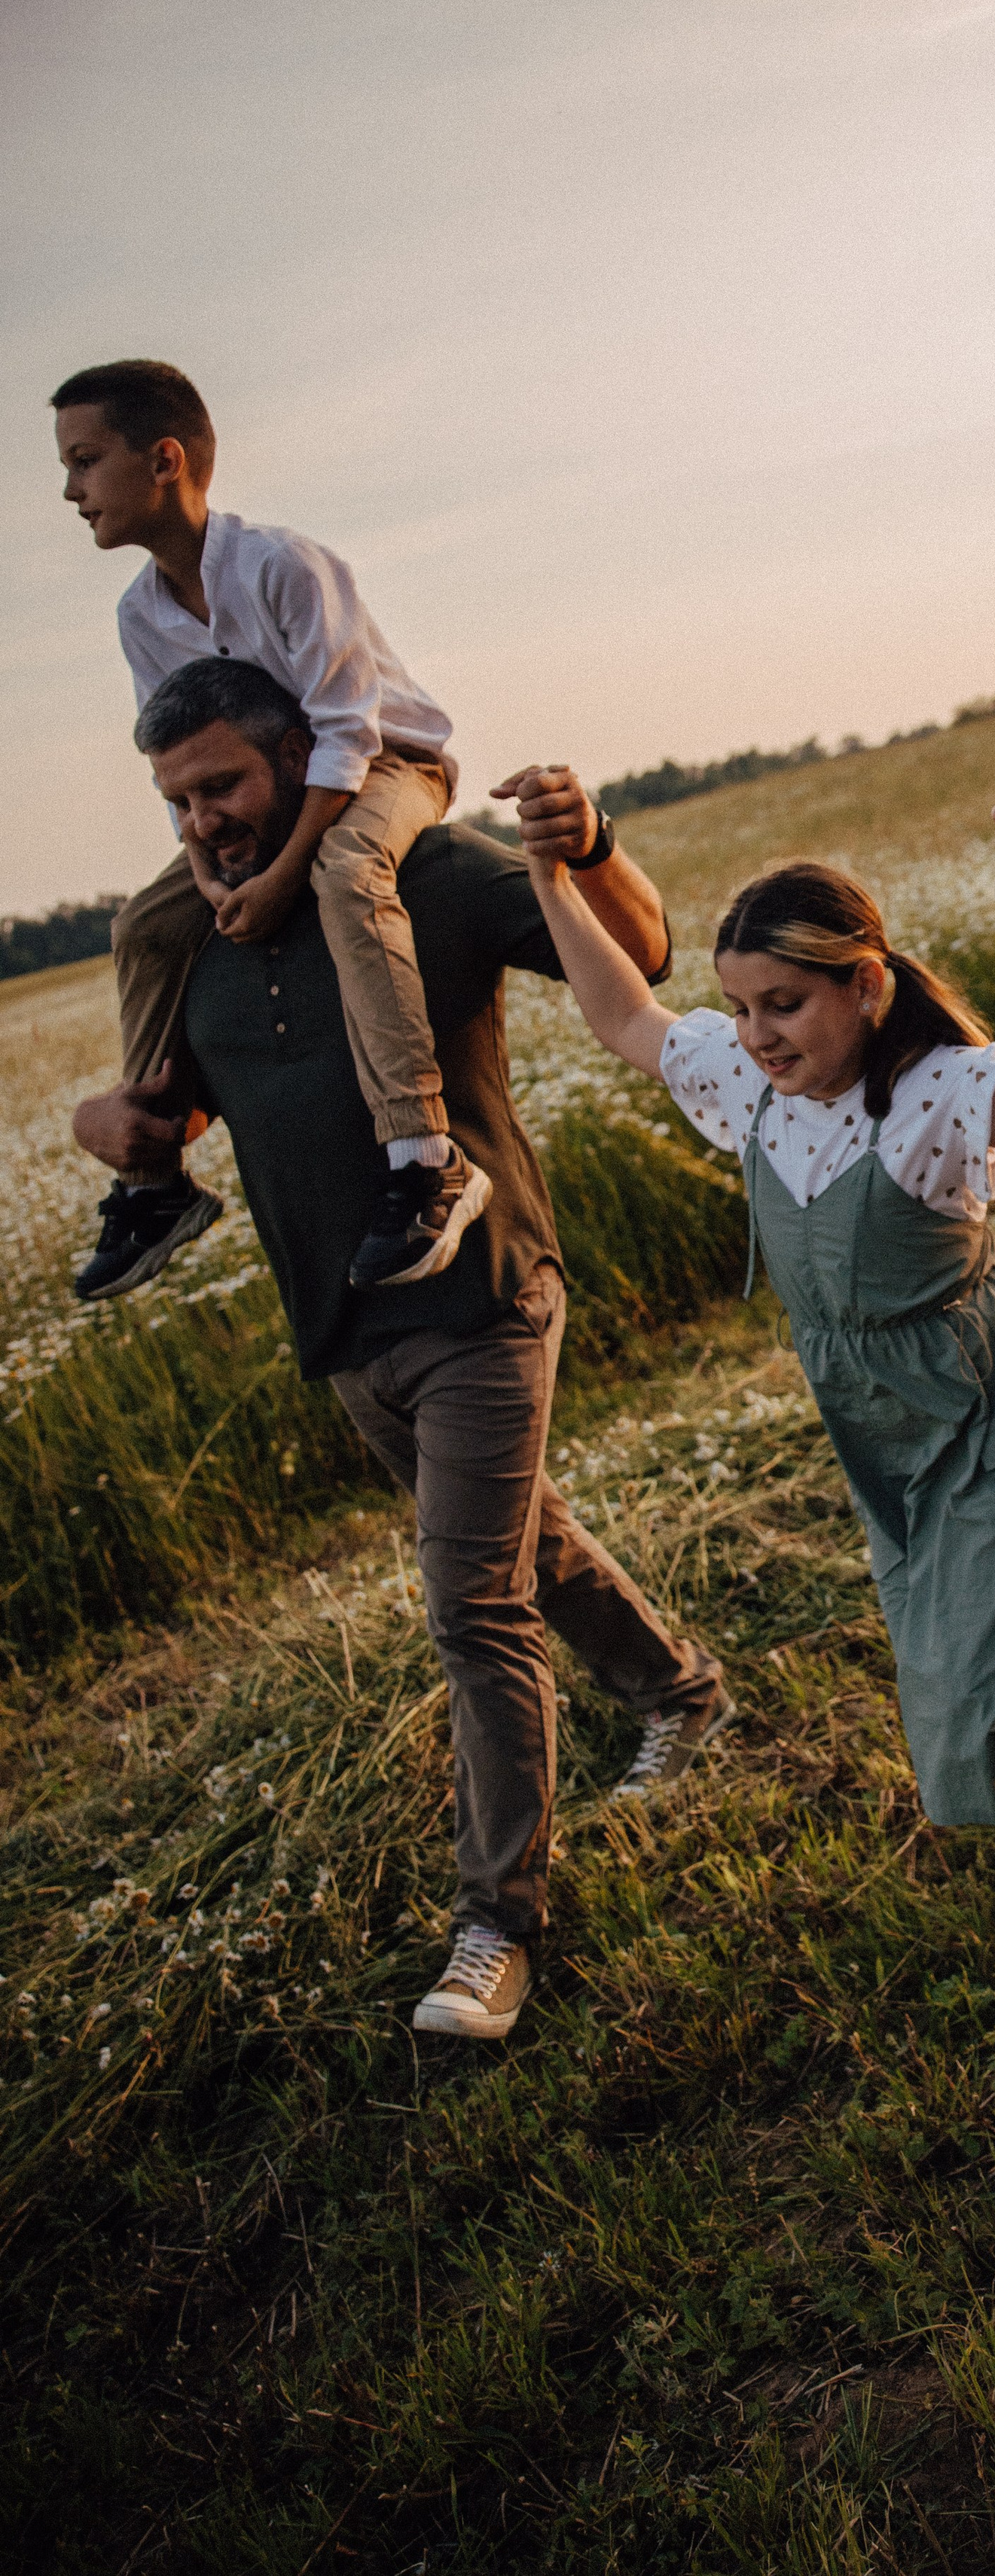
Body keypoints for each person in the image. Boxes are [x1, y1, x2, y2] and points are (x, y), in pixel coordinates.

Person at [72, 660, 732, 2042]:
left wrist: (594, 845)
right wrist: (108, 1129)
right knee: (518, 1546)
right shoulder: (197, 935)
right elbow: (181, 1115)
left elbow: (644, 958)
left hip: (481, 1294)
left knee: (469, 1606)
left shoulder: (418, 877)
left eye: (224, 787)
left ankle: (498, 1925)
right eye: (178, 801)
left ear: (301, 767)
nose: (202, 823)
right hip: (343, 1328)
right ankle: (680, 1689)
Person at [505, 777, 995, 1982]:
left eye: (786, 1003)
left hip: (991, 1385)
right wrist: (551, 877)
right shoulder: (748, 1084)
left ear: (868, 983)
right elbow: (625, 1017)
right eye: (742, 1007)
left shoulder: (936, 1094)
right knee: (984, 1592)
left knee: (969, 1656)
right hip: (880, 1421)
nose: (756, 1033)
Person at [53, 357, 487, 1302]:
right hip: (259, 807)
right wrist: (207, 875)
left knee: (345, 875)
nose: (70, 489)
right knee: (146, 926)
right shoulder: (139, 615)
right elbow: (174, 764)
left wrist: (284, 870)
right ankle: (155, 1181)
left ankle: (423, 1157)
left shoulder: (282, 565)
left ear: (164, 458)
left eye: (86, 462)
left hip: (387, 766)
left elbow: (347, 728)